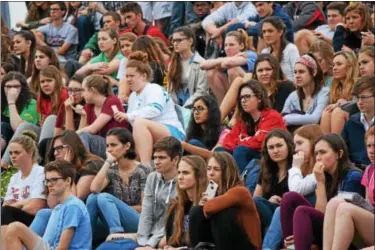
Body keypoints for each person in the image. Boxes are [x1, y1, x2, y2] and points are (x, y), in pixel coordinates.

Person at [280, 134, 364, 250]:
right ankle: (291, 246)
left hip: (343, 233)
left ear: (339, 154)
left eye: (323, 152)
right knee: (289, 197)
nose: (318, 157)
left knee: (303, 211)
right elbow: (321, 215)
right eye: (316, 153)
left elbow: (335, 218)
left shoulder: (353, 177)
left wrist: (320, 182)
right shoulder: (326, 174)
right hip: (328, 226)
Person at [113, 52, 185, 166]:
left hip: (173, 134)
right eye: (126, 76)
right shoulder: (132, 96)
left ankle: (145, 166)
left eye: (132, 76)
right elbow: (134, 124)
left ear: (144, 76)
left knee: (139, 123)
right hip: (151, 135)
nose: (128, 79)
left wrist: (127, 116)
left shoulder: (154, 88)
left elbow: (154, 110)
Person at [3, 160, 92, 250]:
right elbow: (48, 241)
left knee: (15, 228)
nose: (49, 184)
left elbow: (62, 247)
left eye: (54, 180)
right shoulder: (59, 207)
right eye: (47, 180)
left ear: (68, 181)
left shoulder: (73, 206)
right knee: (12, 231)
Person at [262, 124, 324, 250]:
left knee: (288, 199)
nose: (296, 149)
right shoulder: (268, 169)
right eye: (295, 145)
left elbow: (295, 190)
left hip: (320, 222)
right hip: (302, 219)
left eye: (300, 143)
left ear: (313, 142)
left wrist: (295, 167)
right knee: (274, 205)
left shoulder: (320, 166)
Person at [190, 152, 262, 250]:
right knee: (196, 211)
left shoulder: (240, 191)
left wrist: (207, 205)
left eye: (216, 169)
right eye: (209, 168)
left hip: (248, 246)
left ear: (227, 172)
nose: (211, 173)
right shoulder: (214, 192)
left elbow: (209, 208)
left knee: (222, 214)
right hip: (224, 242)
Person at [87, 128, 149, 240]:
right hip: (117, 218)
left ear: (127, 146)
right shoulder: (112, 170)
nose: (109, 150)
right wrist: (108, 162)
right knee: (93, 198)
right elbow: (94, 188)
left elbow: (145, 207)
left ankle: (117, 238)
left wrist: (118, 208)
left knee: (104, 197)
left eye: (113, 145)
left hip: (140, 221)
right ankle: (84, 243)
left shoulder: (143, 170)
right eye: (107, 146)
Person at [1, 66, 67, 169]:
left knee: (51, 119)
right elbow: (40, 123)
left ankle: (41, 161)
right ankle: (3, 165)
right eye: (42, 82)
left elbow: (61, 123)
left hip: (63, 132)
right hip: (45, 134)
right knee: (24, 126)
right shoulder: (41, 98)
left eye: (49, 80)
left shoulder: (64, 94)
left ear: (57, 80)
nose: (45, 84)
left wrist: (11, 102)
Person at [323, 126, 375, 250]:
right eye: (369, 146)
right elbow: (369, 205)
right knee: (335, 202)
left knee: (345, 209)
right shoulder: (369, 170)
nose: (371, 151)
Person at [217, 80, 287, 172]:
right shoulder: (243, 120)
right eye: (241, 97)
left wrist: (241, 140)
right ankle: (222, 184)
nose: (243, 100)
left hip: (270, 157)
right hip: (251, 155)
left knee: (241, 151)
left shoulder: (272, 116)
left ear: (259, 98)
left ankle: (240, 184)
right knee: (220, 151)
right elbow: (228, 142)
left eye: (247, 96)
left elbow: (260, 142)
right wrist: (244, 141)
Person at [1, 131, 46, 249]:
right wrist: (24, 202)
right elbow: (6, 204)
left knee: (5, 212)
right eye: (10, 153)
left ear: (30, 152)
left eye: (17, 152)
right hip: (14, 217)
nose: (12, 156)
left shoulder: (40, 172)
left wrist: (15, 206)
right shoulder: (14, 178)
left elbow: (35, 206)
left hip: (34, 219)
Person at [135, 137, 182, 249]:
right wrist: (142, 242)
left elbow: (172, 221)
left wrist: (150, 244)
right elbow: (146, 211)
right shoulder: (152, 177)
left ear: (175, 160)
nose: (156, 162)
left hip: (167, 233)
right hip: (148, 231)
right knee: (110, 241)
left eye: (161, 158)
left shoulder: (182, 182)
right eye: (154, 157)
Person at [220, 53, 295, 123]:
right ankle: (217, 121)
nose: (264, 73)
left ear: (275, 70)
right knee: (238, 81)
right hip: (255, 126)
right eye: (260, 70)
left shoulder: (285, 86)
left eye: (268, 69)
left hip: (275, 128)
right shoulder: (254, 91)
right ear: (256, 74)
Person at [252, 129, 293, 237]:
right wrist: (268, 203)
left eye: (279, 145)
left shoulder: (297, 169)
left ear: (288, 146)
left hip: (287, 214)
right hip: (268, 214)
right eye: (271, 147)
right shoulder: (265, 171)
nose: (275, 151)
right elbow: (256, 199)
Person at [77, 74, 129, 159]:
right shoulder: (89, 105)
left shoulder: (112, 101)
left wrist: (73, 134)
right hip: (103, 145)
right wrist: (83, 116)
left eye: (83, 90)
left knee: (83, 136)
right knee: (79, 138)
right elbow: (81, 133)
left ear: (92, 90)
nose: (82, 95)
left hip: (118, 145)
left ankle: (84, 165)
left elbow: (93, 129)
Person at [201, 29, 257, 103]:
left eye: (231, 45)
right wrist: (225, 59)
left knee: (232, 69)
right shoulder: (228, 58)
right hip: (233, 91)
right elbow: (203, 65)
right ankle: (224, 105)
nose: (227, 48)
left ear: (241, 46)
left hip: (252, 91)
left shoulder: (249, 54)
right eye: (225, 45)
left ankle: (236, 104)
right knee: (211, 72)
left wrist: (224, 61)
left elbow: (229, 63)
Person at [164, 155, 207, 249]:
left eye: (186, 173)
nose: (180, 177)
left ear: (199, 176)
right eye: (179, 172)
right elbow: (170, 241)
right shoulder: (174, 205)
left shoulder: (207, 205)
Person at [47, 130, 104, 201]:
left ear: (71, 147)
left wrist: (67, 168)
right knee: (44, 212)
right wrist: (57, 172)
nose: (55, 153)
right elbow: (52, 205)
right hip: (72, 209)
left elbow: (76, 198)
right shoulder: (61, 169)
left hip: (92, 209)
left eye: (59, 148)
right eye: (54, 150)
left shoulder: (92, 164)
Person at [281, 54, 329, 131]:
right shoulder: (293, 96)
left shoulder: (324, 92)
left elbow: (314, 119)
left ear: (313, 72)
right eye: (295, 72)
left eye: (301, 72)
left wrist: (288, 118)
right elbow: (282, 120)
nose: (297, 76)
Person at [227, 2, 294, 53]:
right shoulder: (260, 16)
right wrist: (245, 25)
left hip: (284, 52)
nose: (258, 9)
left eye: (261, 5)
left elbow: (258, 30)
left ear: (270, 3)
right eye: (256, 6)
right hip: (267, 52)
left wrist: (243, 31)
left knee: (262, 35)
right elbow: (229, 29)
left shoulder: (281, 16)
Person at [168, 26, 208, 108]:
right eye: (174, 40)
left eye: (179, 40)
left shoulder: (201, 63)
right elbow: (170, 91)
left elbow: (201, 91)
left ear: (190, 41)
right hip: (175, 107)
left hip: (195, 107)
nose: (175, 44)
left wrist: (184, 108)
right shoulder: (172, 63)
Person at [320, 51, 358, 135]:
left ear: (350, 67)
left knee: (338, 112)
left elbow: (359, 102)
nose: (334, 68)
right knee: (326, 113)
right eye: (333, 65)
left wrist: (342, 103)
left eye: (339, 64)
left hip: (356, 118)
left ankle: (337, 146)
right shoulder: (334, 87)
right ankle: (326, 146)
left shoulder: (358, 84)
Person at [1, 72, 38, 159]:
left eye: (16, 86)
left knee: (4, 126)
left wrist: (11, 102)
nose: (12, 90)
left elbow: (19, 128)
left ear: (23, 88)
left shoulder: (31, 103)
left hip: (25, 139)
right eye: (8, 87)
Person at [342, 75, 374, 166]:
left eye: (364, 97)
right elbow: (343, 150)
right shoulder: (351, 122)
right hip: (355, 170)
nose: (359, 102)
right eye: (357, 98)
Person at [260, 16, 300, 82]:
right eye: (264, 32)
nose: (266, 35)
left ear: (280, 32)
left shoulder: (290, 49)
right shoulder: (264, 52)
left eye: (270, 31)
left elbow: (298, 75)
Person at [117, 32, 138, 103]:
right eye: (122, 47)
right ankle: (122, 100)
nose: (125, 49)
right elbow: (122, 81)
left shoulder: (142, 59)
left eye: (127, 45)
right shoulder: (124, 61)